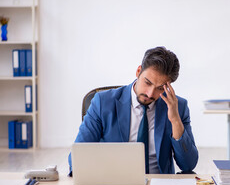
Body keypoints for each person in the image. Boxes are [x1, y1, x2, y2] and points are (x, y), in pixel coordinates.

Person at [68, 46, 198, 176]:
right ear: (138, 71)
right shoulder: (103, 102)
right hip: (114, 184)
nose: (150, 93)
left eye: (160, 88)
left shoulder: (178, 107)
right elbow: (77, 156)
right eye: (147, 82)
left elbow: (188, 165)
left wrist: (175, 120)